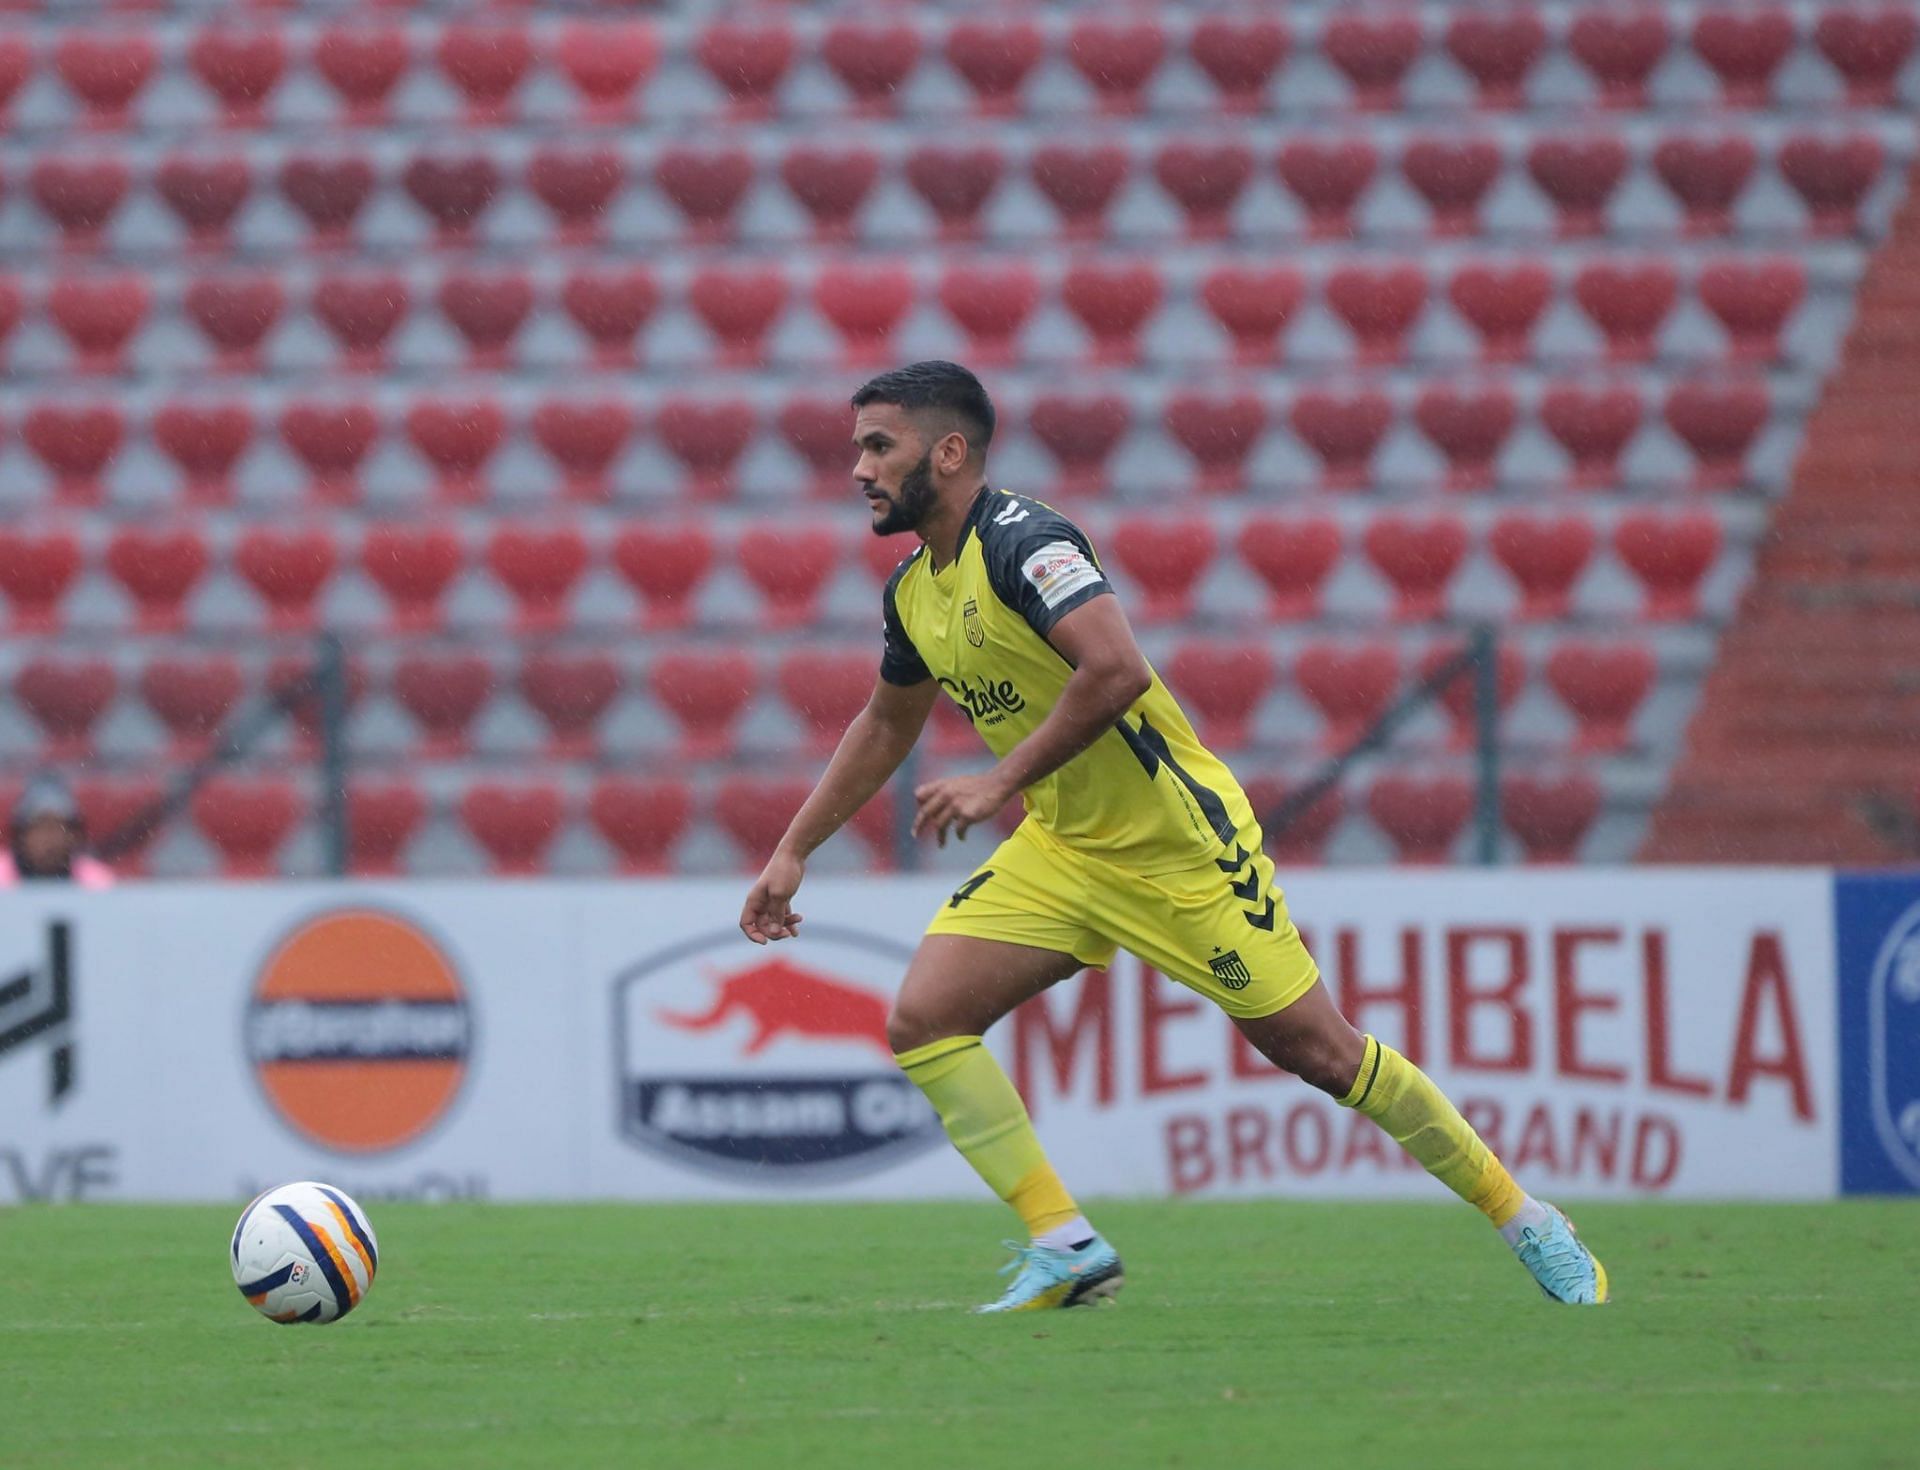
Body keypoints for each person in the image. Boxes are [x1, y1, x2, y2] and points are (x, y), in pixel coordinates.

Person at [738, 361, 1606, 1313]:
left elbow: (1115, 671)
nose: (858, 469)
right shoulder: (913, 587)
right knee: (924, 1023)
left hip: (1176, 843)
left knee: (1321, 1054)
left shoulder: (1029, 544)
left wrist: (999, 779)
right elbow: (886, 723)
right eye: (858, 446)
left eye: (878, 446)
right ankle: (1064, 1243)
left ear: (948, 453)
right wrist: (794, 849)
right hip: (1063, 848)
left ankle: (1525, 1217)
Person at [2, 773, 115, 888]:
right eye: (40, 828)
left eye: (56, 828)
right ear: (22, 835)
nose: (49, 839)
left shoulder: (97, 881)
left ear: (73, 835)